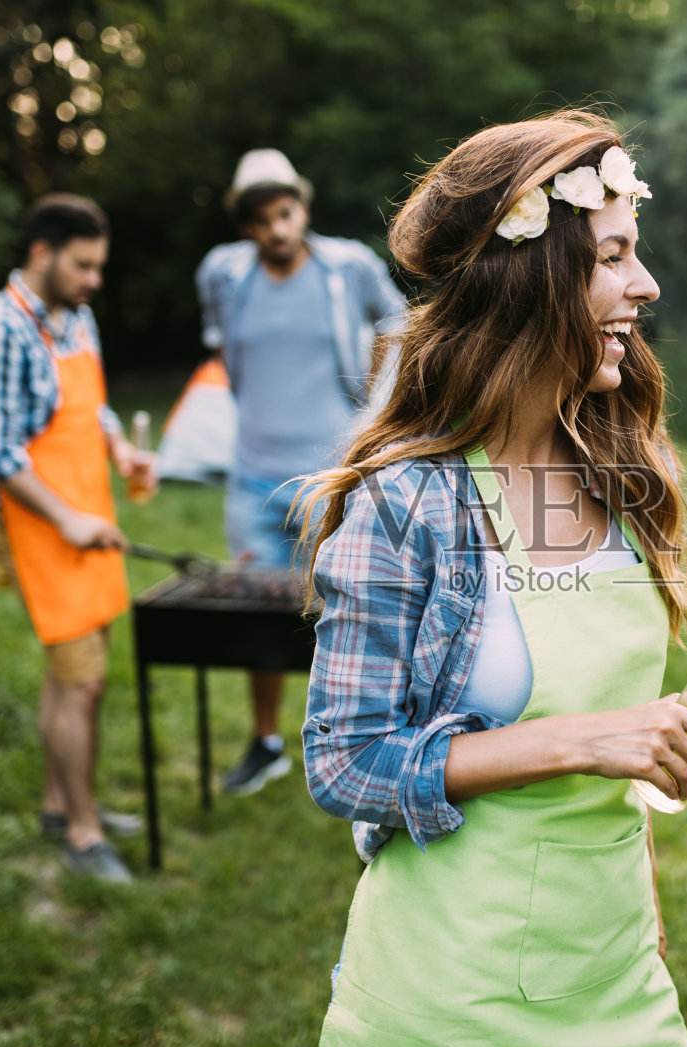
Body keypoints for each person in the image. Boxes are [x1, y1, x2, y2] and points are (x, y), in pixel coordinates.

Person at [298, 111, 687, 1047]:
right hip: (448, 996)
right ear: (530, 284)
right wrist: (588, 739)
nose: (645, 287)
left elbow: (623, 744)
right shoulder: (408, 501)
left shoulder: (624, 474)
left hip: (618, 972)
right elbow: (344, 762)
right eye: (613, 257)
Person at [194, 148, 406, 797]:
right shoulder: (225, 276)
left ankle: (356, 743)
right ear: (246, 226)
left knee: (343, 608)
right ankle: (267, 742)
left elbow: (399, 325)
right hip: (254, 476)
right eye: (260, 220)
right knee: (261, 609)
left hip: (328, 480)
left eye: (284, 212)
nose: (275, 229)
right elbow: (224, 355)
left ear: (302, 208)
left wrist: (372, 412)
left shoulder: (348, 267)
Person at [0, 193, 156, 884]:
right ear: (42, 253)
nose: (95, 279)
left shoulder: (78, 318)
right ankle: (82, 830)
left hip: (90, 517)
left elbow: (92, 406)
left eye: (98, 265)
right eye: (83, 264)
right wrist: (66, 517)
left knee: (80, 678)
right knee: (83, 681)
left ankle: (58, 802)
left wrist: (119, 452)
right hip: (45, 526)